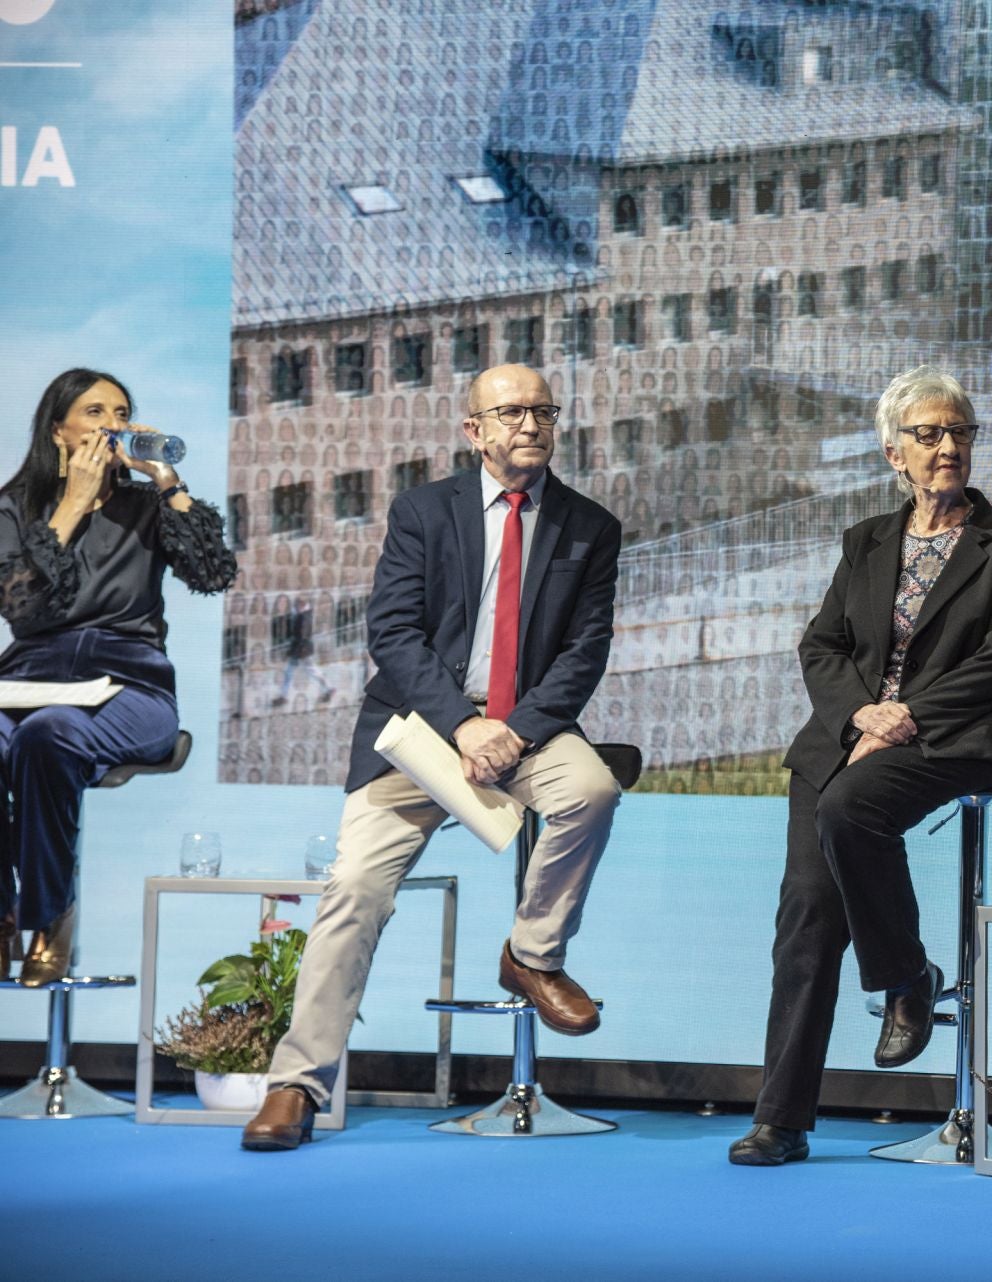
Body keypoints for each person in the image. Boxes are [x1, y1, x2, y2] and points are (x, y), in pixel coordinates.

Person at [243, 364, 623, 1150]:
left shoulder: (590, 527)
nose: (531, 425)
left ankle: (532, 955)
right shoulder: (423, 512)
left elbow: (584, 655)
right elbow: (393, 636)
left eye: (543, 411)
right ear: (473, 430)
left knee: (591, 789)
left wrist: (513, 730)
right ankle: (297, 1081)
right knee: (353, 886)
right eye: (511, 412)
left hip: (529, 729)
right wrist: (463, 725)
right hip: (423, 732)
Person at [730, 366, 992, 1166]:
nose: (948, 448)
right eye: (929, 434)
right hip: (847, 736)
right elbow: (823, 644)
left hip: (953, 736)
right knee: (805, 913)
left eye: (960, 433)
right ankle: (782, 1119)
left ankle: (905, 978)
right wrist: (859, 714)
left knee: (850, 812)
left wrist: (905, 716)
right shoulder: (867, 541)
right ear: (892, 453)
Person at [0, 369, 235, 985]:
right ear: (59, 429)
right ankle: (2, 913)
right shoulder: (14, 506)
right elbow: (22, 609)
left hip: (130, 682)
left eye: (121, 412)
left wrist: (166, 479)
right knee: (31, 727)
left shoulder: (144, 505)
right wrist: (73, 504)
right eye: (95, 411)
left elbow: (212, 571)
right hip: (30, 675)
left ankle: (49, 913)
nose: (112, 424)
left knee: (48, 735)